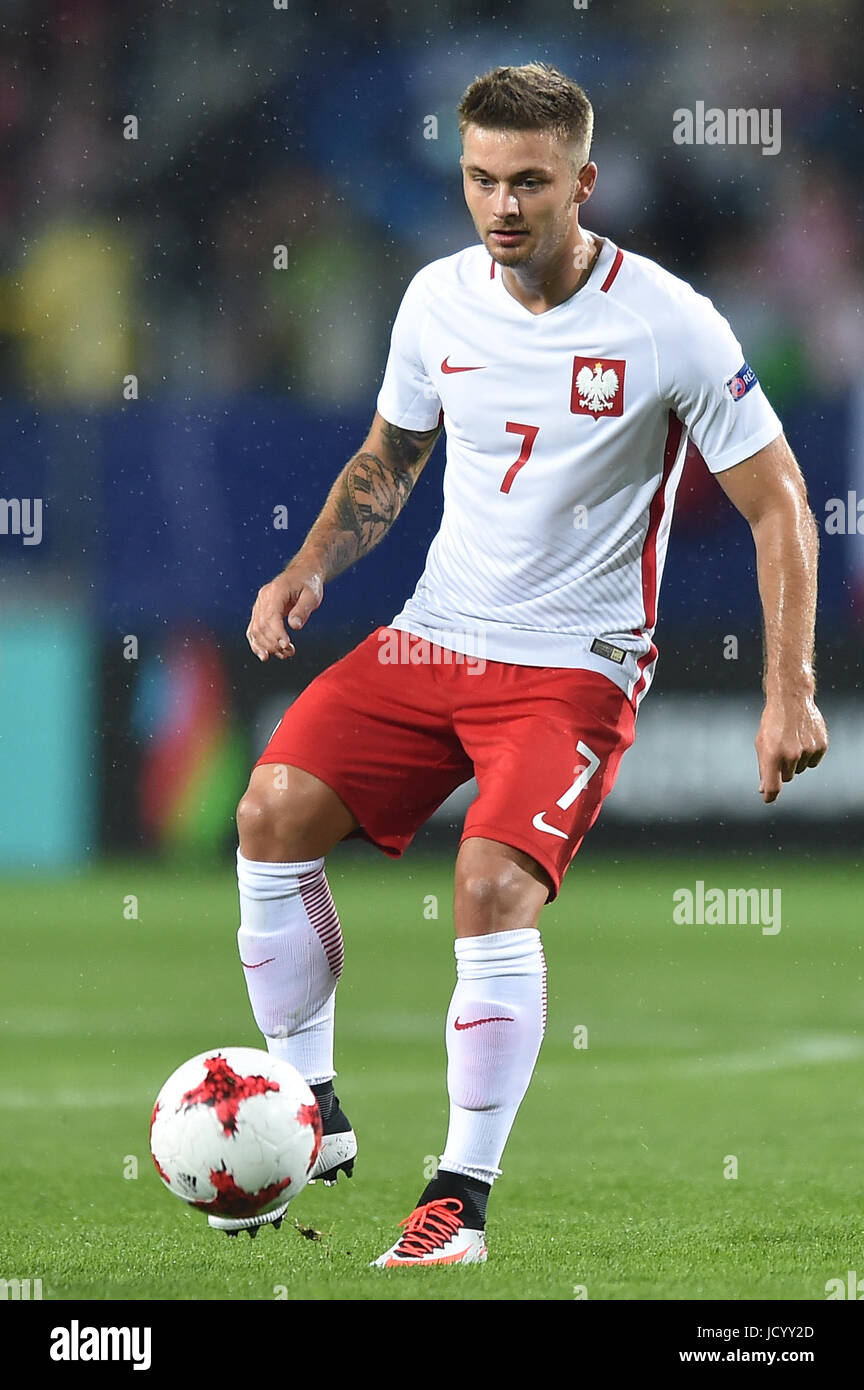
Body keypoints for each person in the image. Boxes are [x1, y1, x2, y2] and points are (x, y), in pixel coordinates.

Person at [217, 63, 828, 1265]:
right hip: (434, 637)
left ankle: (459, 1202)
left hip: (573, 666)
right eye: (482, 179)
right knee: (268, 811)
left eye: (530, 182)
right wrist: (311, 565)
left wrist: (790, 685)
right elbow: (388, 460)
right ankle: (312, 1106)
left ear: (583, 182)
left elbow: (782, 504)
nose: (503, 205)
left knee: (493, 888)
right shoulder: (436, 300)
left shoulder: (667, 321)